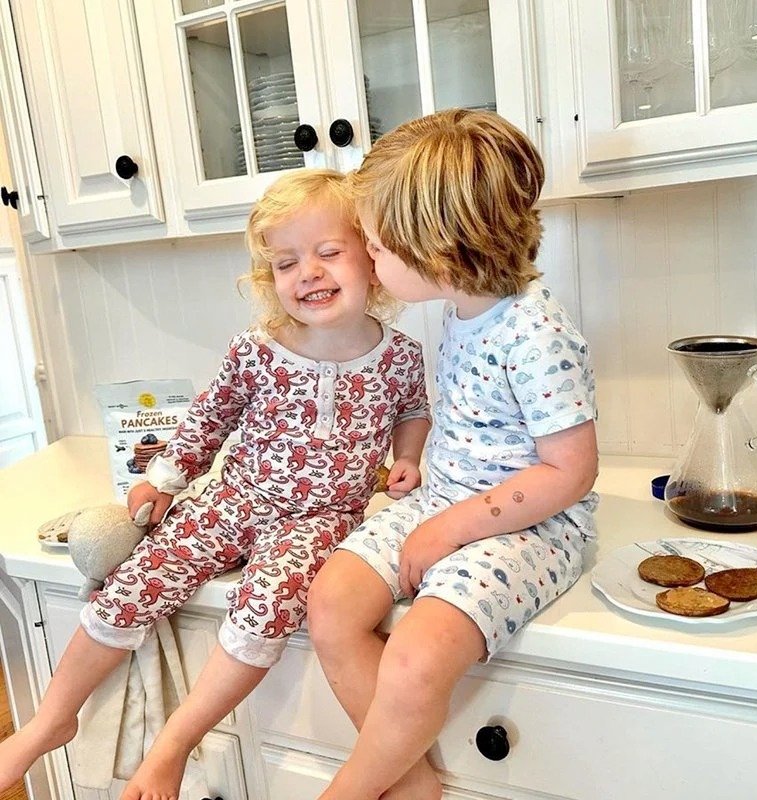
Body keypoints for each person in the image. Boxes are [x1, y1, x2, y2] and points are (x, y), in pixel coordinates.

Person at [0, 169, 431, 800]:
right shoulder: (256, 349)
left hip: (320, 523)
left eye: (327, 252)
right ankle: (50, 720)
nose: (307, 272)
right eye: (285, 263)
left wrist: (409, 459)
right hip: (236, 499)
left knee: (266, 608)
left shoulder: (400, 356)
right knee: (137, 579)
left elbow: (413, 411)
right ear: (269, 280)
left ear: (372, 256)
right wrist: (164, 479)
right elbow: (210, 418)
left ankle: (172, 744)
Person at [307, 109, 599, 800]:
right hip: (450, 503)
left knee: (414, 657)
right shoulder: (461, 305)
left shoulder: (536, 332)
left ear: (436, 251)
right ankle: (410, 785)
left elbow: (570, 471)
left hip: (534, 526)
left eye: (376, 247)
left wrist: (450, 527)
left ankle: (349, 790)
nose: (369, 259)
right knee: (330, 603)